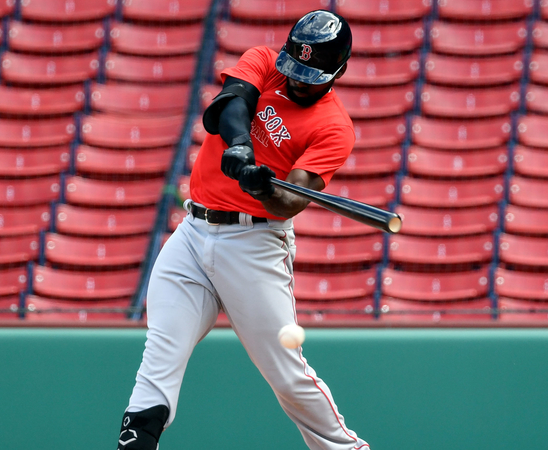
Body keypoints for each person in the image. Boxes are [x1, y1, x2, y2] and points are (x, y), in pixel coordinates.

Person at [116, 10, 369, 450]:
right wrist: (239, 144)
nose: (297, 81)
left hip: (253, 246)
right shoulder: (265, 61)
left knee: (287, 377)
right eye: (295, 68)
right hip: (193, 234)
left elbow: (291, 200)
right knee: (160, 353)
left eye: (311, 76)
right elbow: (231, 103)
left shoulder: (333, 128)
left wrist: (261, 188)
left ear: (338, 72)